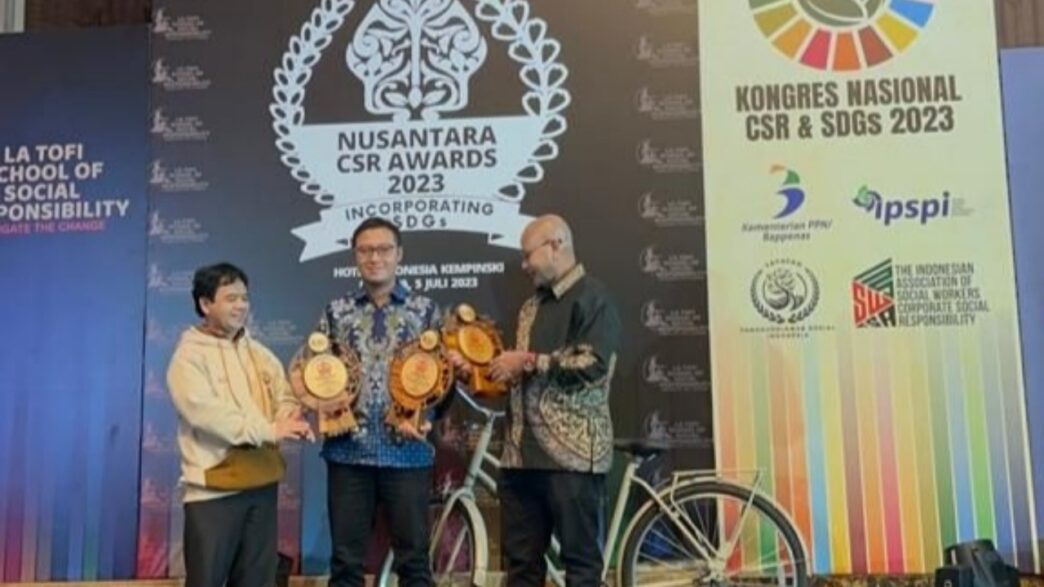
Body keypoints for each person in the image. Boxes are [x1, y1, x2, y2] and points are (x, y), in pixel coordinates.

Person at [298, 217, 442, 587]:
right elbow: (308, 369)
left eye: (383, 249)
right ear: (355, 256)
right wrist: (317, 403)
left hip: (407, 452)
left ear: (399, 255)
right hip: (348, 453)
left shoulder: (426, 311)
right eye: (365, 250)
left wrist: (427, 416)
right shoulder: (336, 311)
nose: (374, 258)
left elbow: (441, 377)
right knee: (346, 563)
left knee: (414, 562)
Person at [488, 214, 622, 587]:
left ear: (556, 246)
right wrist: (484, 369)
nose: (524, 265)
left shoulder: (595, 298)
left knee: (581, 567)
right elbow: (521, 372)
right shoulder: (530, 307)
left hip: (573, 462)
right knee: (521, 568)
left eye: (528, 255)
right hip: (520, 457)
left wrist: (530, 361)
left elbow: (593, 366)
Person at [168, 262, 313, 587]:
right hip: (212, 492)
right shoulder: (188, 357)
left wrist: (289, 416)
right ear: (206, 304)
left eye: (244, 298)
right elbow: (206, 414)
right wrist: (269, 430)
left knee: (257, 581)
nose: (241, 306)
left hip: (262, 484)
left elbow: (284, 395)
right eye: (230, 299)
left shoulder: (260, 353)